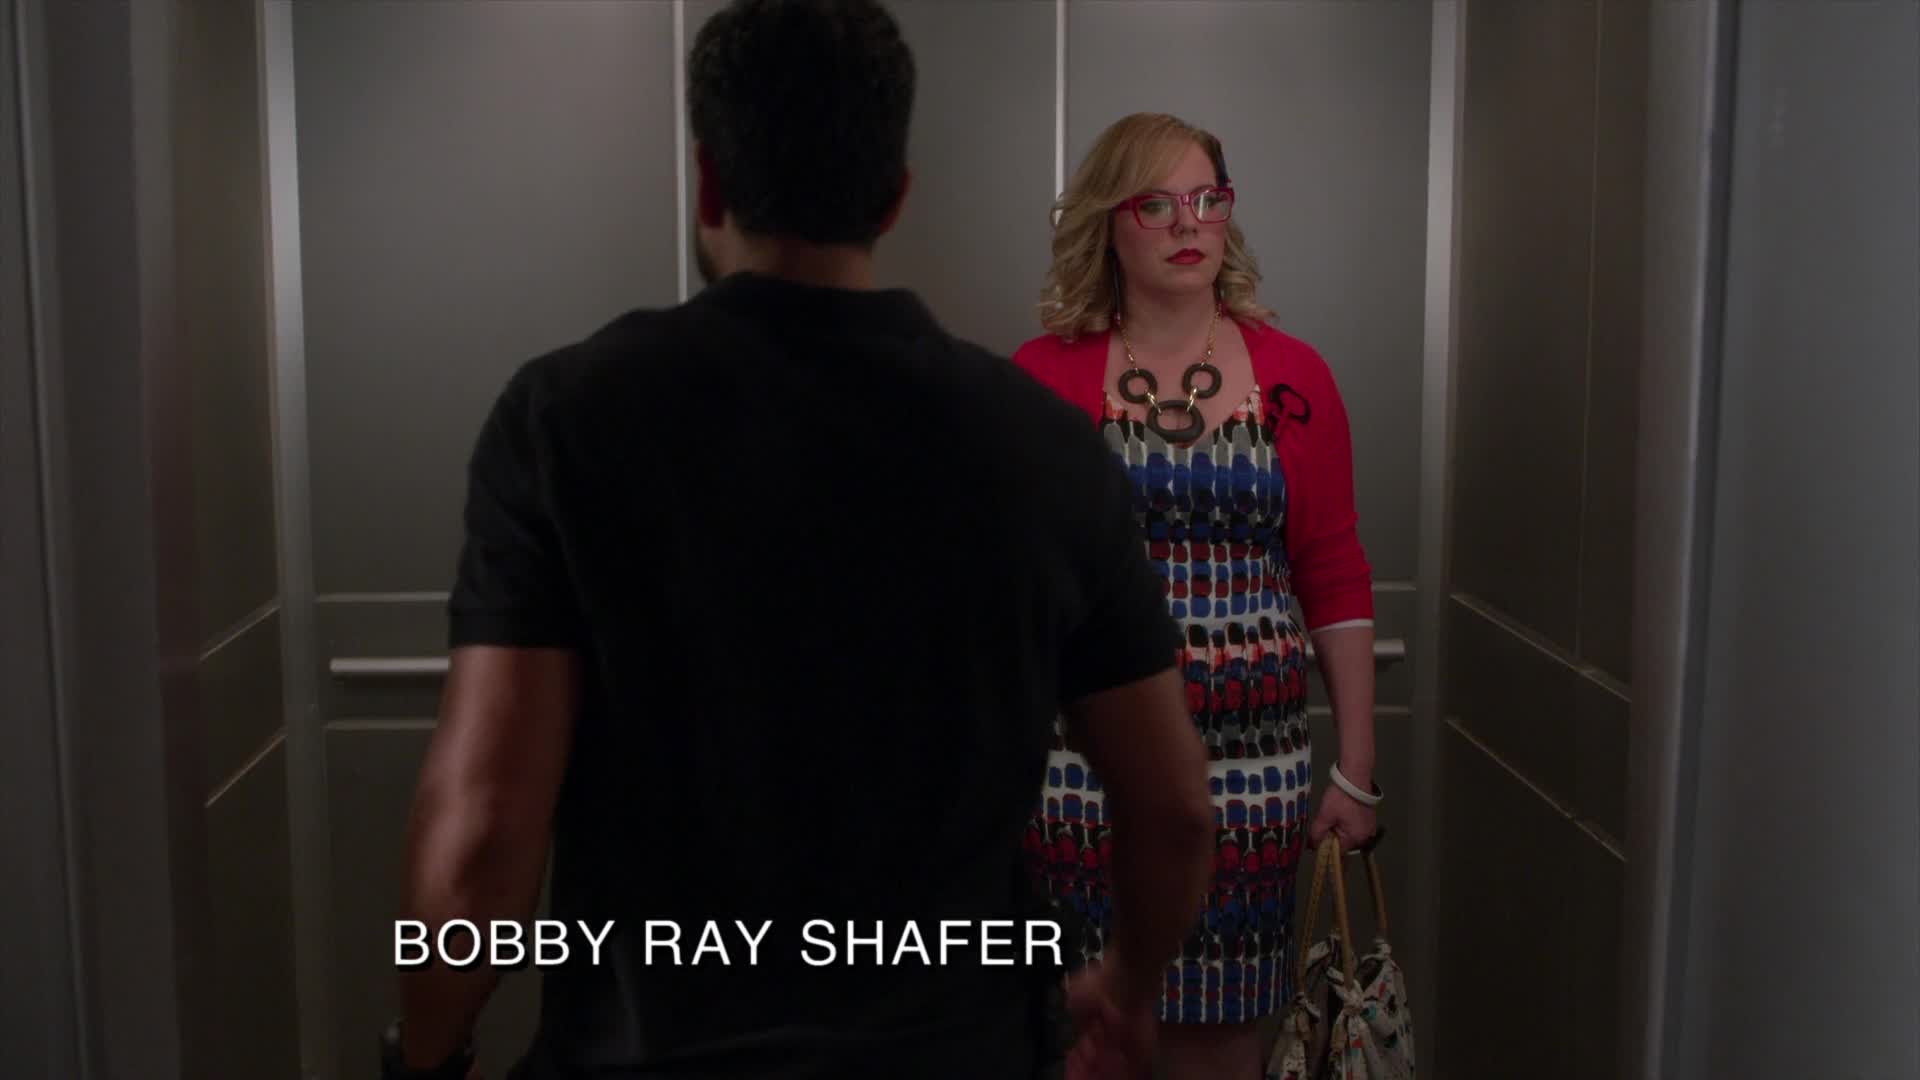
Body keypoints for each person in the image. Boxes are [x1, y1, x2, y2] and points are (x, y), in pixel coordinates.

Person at [380, 6, 1213, 1080]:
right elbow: (1173, 809)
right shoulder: (1045, 447)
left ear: (708, 180)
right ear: (894, 194)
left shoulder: (564, 422)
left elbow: (483, 833)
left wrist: (426, 1058)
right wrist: (1129, 983)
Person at [1012, 113, 1383, 1079]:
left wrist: (1356, 765)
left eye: (1208, 199)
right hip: (1080, 775)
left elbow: (1333, 573)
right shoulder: (1042, 377)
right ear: (1109, 223)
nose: (1189, 222)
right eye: (1157, 203)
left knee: (1220, 1044)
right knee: (1088, 1036)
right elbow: (1005, 588)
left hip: (1249, 778)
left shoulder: (1295, 377)